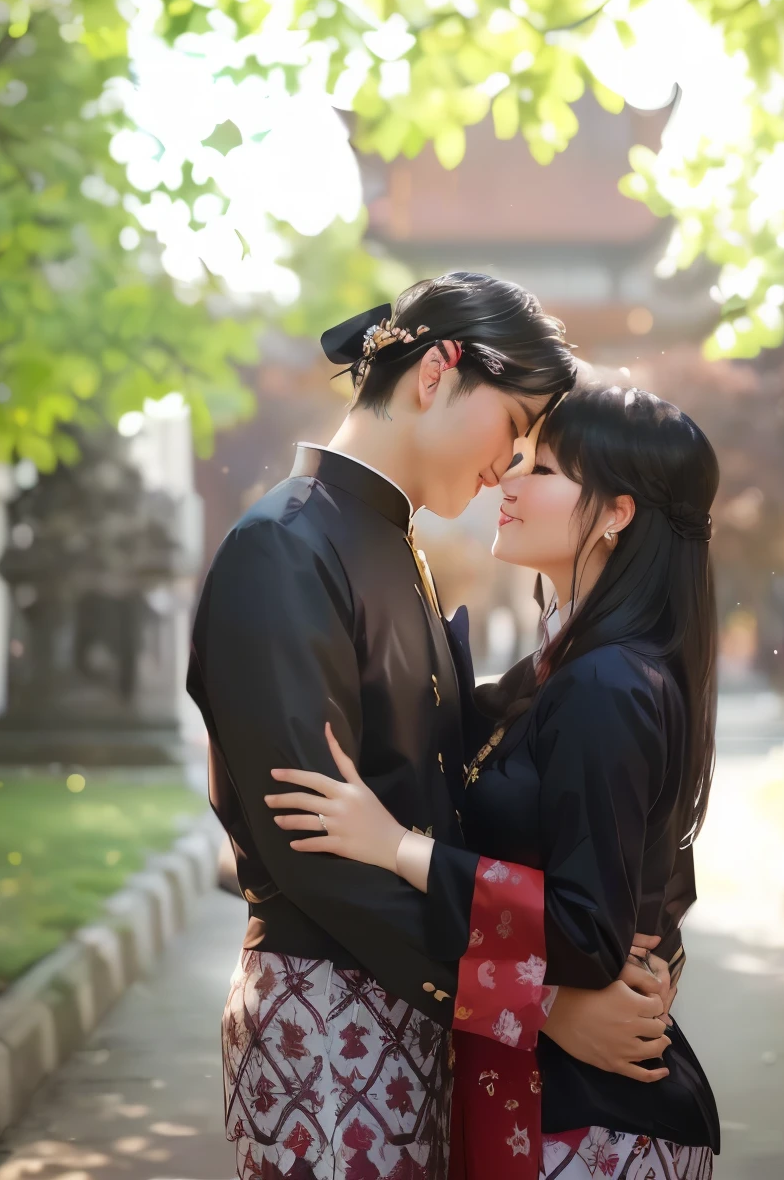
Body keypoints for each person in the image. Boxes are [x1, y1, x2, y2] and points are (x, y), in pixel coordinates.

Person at [187, 275, 670, 1180]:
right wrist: (538, 1002)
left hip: (425, 1016)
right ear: (438, 371)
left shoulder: (390, 543)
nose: (510, 466)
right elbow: (312, 852)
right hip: (328, 1026)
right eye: (517, 426)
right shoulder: (283, 549)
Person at [266, 380, 722, 1179]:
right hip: (562, 1111)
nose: (509, 477)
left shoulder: (607, 683)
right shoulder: (570, 670)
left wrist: (396, 847)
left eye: (543, 469)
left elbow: (591, 932)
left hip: (590, 1136)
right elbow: (650, 873)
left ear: (617, 514)